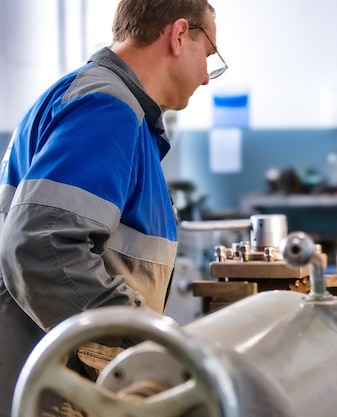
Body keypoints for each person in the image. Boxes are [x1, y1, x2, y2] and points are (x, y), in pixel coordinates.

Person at [0, 0, 226, 415]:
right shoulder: (106, 106)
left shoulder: (109, 107)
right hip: (54, 391)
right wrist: (155, 340)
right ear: (179, 35)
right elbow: (42, 248)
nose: (205, 79)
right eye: (208, 55)